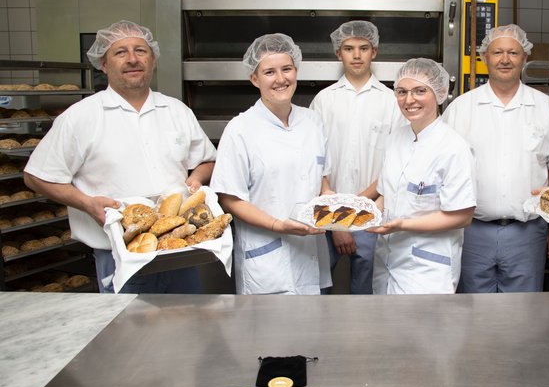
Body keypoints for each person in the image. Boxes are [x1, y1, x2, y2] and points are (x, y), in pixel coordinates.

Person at [23, 20, 217, 294]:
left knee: (189, 331)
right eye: (120, 52)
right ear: (104, 64)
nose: (133, 59)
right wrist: (87, 203)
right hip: (119, 256)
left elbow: (206, 160)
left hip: (178, 251)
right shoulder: (80, 117)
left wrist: (195, 179)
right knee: (128, 336)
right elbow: (36, 176)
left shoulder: (176, 111)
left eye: (141, 51)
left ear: (153, 61)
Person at [443, 24, 549, 293]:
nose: (505, 59)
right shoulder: (461, 109)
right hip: (472, 231)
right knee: (472, 314)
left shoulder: (545, 108)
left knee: (521, 316)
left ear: (525, 58)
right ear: (484, 57)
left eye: (513, 52)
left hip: (528, 233)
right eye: (497, 52)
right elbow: (442, 172)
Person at [210, 33, 332, 295]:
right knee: (267, 334)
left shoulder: (313, 121)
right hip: (266, 258)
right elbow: (229, 198)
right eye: (269, 72)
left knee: (312, 332)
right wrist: (278, 225)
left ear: (296, 71)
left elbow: (322, 179)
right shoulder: (240, 129)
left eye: (286, 69)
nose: (280, 79)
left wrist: (332, 201)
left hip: (310, 252)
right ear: (254, 79)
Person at [309, 20, 405, 294]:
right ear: (338, 54)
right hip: (327, 215)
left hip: (373, 213)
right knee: (318, 290)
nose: (357, 55)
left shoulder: (391, 101)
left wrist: (357, 209)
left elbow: (397, 162)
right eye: (349, 49)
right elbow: (314, 161)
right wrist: (337, 218)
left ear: (374, 52)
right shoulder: (324, 100)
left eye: (364, 48)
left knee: (367, 296)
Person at [369, 58, 476, 294]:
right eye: (402, 92)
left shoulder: (453, 148)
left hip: (427, 269)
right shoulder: (395, 139)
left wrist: (403, 225)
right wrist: (360, 215)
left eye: (420, 91)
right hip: (387, 262)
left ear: (438, 94)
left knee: (424, 331)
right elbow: (386, 196)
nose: (409, 100)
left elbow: (462, 216)